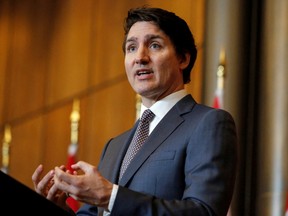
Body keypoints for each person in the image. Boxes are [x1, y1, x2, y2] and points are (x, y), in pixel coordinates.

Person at [32, 6, 237, 216]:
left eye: (154, 45)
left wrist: (110, 196)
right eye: (131, 48)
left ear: (183, 58)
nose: (140, 57)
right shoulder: (114, 146)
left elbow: (204, 212)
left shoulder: (209, 123)